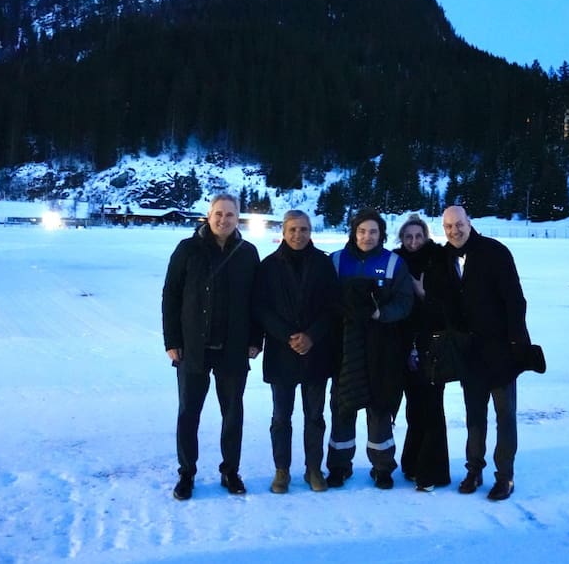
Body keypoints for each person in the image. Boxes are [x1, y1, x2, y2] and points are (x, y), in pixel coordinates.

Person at [162, 194, 261, 500]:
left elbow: (258, 301)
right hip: (193, 347)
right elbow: (171, 296)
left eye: (230, 215)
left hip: (232, 348)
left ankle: (230, 471)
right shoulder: (187, 249)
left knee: (232, 413)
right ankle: (187, 473)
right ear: (208, 216)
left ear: (237, 219)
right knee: (188, 413)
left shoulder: (247, 253)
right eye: (218, 214)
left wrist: (256, 340)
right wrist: (172, 342)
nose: (223, 219)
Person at [436, 205, 530, 501]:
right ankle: (474, 470)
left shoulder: (495, 252)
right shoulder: (443, 258)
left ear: (470, 223)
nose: (454, 230)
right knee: (474, 416)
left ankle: (505, 476)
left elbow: (515, 301)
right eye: (449, 226)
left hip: (501, 350)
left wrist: (517, 344)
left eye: (459, 224)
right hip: (469, 353)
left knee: (505, 415)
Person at [325, 208, 414, 489]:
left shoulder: (393, 263)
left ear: (381, 234)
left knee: (379, 405)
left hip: (381, 347)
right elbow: (324, 297)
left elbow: (405, 301)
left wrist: (381, 314)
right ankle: (339, 466)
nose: (367, 236)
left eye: (373, 231)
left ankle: (383, 466)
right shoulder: (337, 261)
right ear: (353, 232)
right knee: (343, 404)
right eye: (362, 231)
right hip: (345, 345)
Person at [252, 210, 340, 494]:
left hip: (315, 352)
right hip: (281, 352)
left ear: (310, 231)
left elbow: (332, 307)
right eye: (292, 230)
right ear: (284, 231)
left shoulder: (324, 264)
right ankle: (282, 469)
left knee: (314, 416)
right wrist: (288, 336)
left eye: (303, 230)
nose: (297, 235)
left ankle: (313, 468)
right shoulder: (268, 266)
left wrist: (312, 336)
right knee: (281, 417)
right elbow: (261, 308)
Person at [393, 215, 452, 491]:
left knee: (432, 407)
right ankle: (412, 464)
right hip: (404, 345)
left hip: (433, 345)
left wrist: (423, 294)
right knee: (413, 409)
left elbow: (448, 309)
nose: (413, 242)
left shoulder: (438, 260)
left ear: (426, 236)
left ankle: (432, 471)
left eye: (418, 236)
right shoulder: (396, 261)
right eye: (408, 237)